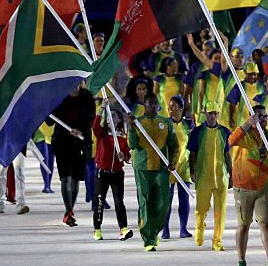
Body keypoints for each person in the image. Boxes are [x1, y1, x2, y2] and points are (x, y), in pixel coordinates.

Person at [229, 105, 268, 266]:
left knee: (265, 223)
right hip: (243, 187)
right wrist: (248, 123)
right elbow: (231, 141)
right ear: (252, 117)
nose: (263, 120)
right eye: (260, 117)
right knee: (243, 225)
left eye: (266, 117)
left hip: (265, 186)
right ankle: (241, 261)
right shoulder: (244, 134)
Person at [129, 93, 178, 251]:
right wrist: (130, 128)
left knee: (162, 204)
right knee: (145, 203)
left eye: (155, 103)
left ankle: (155, 231)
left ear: (158, 105)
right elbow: (132, 145)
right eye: (149, 103)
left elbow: (174, 145)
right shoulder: (138, 123)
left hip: (161, 169)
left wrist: (173, 162)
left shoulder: (165, 122)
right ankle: (148, 238)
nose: (152, 106)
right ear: (144, 104)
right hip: (143, 168)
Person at [188, 101, 232, 251]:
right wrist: (192, 170)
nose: (213, 116)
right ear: (205, 114)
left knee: (221, 212)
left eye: (215, 113)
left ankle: (217, 241)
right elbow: (192, 154)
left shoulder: (225, 133)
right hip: (203, 175)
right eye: (210, 113)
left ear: (218, 114)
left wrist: (231, 174)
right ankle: (199, 230)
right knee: (201, 209)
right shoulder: (197, 132)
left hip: (221, 177)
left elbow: (227, 155)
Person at [50, 82, 96, 226]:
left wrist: (80, 130)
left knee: (76, 178)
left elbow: (90, 118)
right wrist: (45, 109)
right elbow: (50, 121)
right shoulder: (59, 96)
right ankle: (68, 211)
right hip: (62, 142)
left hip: (80, 142)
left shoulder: (87, 97)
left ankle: (71, 209)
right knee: (65, 178)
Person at [92, 103, 133, 241]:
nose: (110, 119)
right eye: (108, 117)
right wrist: (102, 109)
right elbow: (95, 127)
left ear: (119, 120)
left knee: (119, 202)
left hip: (117, 173)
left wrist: (124, 156)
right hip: (102, 172)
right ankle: (97, 228)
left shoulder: (122, 136)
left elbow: (127, 155)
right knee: (99, 201)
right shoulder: (102, 133)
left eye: (113, 116)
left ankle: (123, 228)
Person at [162, 95, 193, 240]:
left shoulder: (189, 125)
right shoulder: (165, 124)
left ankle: (183, 229)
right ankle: (165, 229)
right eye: (170, 106)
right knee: (166, 200)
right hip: (168, 166)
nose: (171, 109)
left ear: (181, 108)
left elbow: (193, 147)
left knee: (184, 199)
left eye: (174, 106)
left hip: (184, 166)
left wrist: (194, 168)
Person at [227, 62, 266, 128]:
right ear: (245, 73)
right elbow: (232, 104)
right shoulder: (239, 86)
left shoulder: (262, 86)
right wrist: (230, 118)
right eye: (250, 74)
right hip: (243, 121)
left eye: (254, 74)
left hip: (259, 122)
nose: (252, 76)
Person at [0, 151, 30, 215]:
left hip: (19, 146)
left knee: (20, 174)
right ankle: (0, 203)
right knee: (1, 173)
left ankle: (21, 205)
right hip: (3, 146)